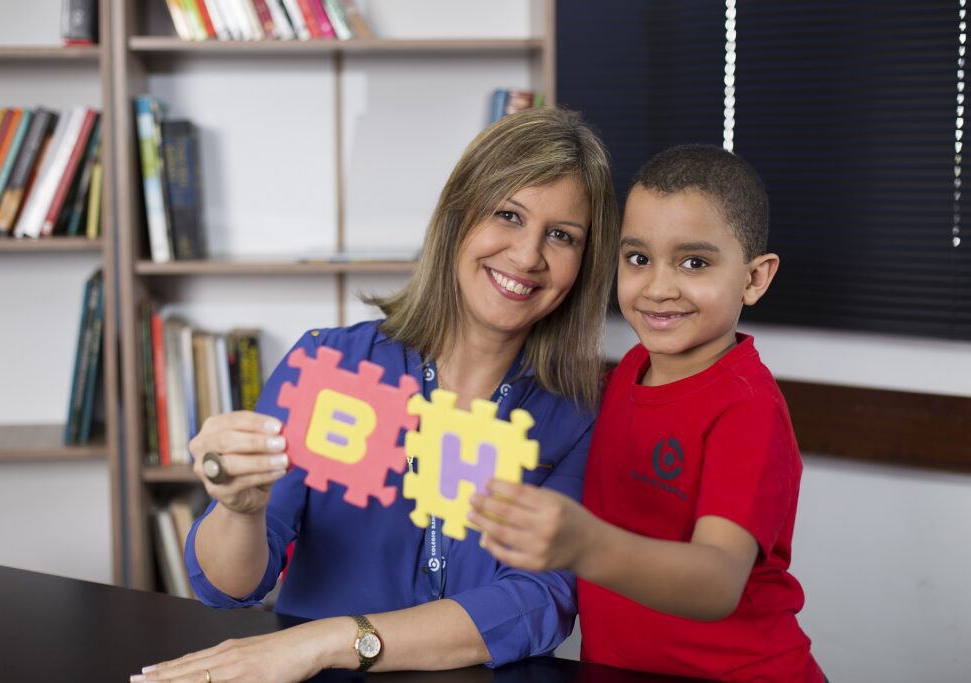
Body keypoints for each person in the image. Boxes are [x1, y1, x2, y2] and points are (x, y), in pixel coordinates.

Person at [131, 107, 619, 683]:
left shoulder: (583, 410)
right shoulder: (329, 365)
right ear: (458, 217)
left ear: (584, 264)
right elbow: (228, 586)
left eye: (561, 236)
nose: (528, 255)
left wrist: (331, 640)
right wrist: (241, 509)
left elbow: (541, 600)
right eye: (507, 215)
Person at [470, 144, 826, 682]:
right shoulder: (631, 368)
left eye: (694, 262)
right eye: (638, 258)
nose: (658, 288)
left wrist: (586, 545)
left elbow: (718, 580)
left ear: (755, 278)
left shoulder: (747, 408)